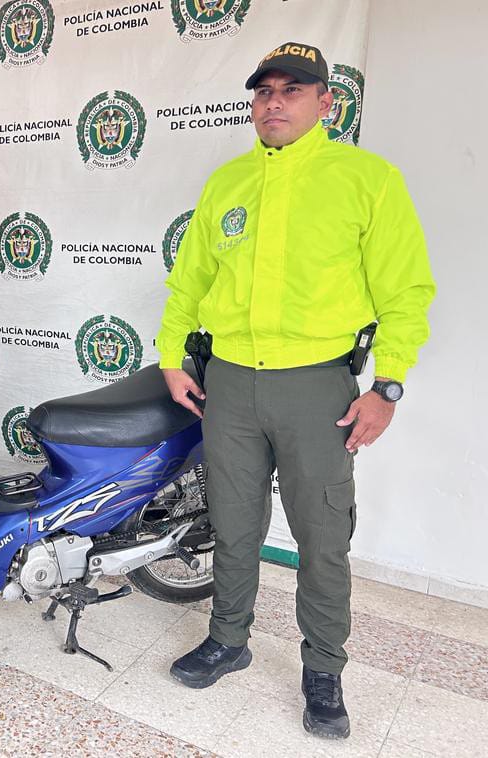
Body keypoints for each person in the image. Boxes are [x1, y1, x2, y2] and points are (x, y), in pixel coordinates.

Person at [155, 42, 435, 740]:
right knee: (234, 523)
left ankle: (324, 671)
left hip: (319, 391)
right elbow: (189, 281)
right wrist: (170, 356)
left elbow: (407, 292)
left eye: (293, 90)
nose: (274, 102)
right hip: (229, 386)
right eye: (264, 91)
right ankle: (228, 639)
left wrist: (388, 385)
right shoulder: (226, 183)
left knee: (322, 535)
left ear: (326, 103)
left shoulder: (366, 179)